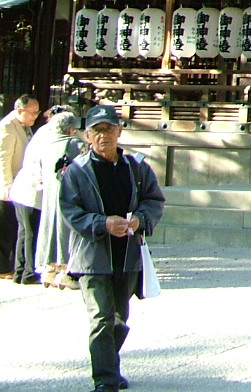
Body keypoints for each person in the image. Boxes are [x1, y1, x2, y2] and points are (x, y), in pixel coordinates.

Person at [61, 104, 165, 392]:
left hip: (128, 255)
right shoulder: (77, 172)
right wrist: (102, 224)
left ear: (120, 132)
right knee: (100, 317)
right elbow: (70, 210)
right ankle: (105, 378)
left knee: (120, 317)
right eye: (97, 131)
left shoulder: (137, 168)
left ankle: (109, 364)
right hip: (92, 256)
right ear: (87, 136)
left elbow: (154, 201)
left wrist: (139, 220)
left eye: (109, 129)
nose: (103, 136)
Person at [8, 104, 72, 284]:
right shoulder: (53, 135)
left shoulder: (44, 131)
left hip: (22, 188)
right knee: (31, 233)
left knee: (24, 232)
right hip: (32, 189)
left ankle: (20, 271)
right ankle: (29, 272)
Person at [0, 94, 40, 278]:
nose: (35, 116)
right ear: (20, 110)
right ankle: (0, 268)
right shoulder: (6, 127)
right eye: (32, 112)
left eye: (37, 113)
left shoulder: (24, 127)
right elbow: (2, 160)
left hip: (19, 184)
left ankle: (11, 265)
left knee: (14, 227)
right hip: (4, 185)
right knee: (2, 229)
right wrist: (6, 185)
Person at [33, 109, 85, 288]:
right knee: (67, 230)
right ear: (71, 129)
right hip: (70, 195)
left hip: (49, 194)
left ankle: (48, 270)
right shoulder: (75, 144)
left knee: (49, 228)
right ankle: (66, 272)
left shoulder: (46, 145)